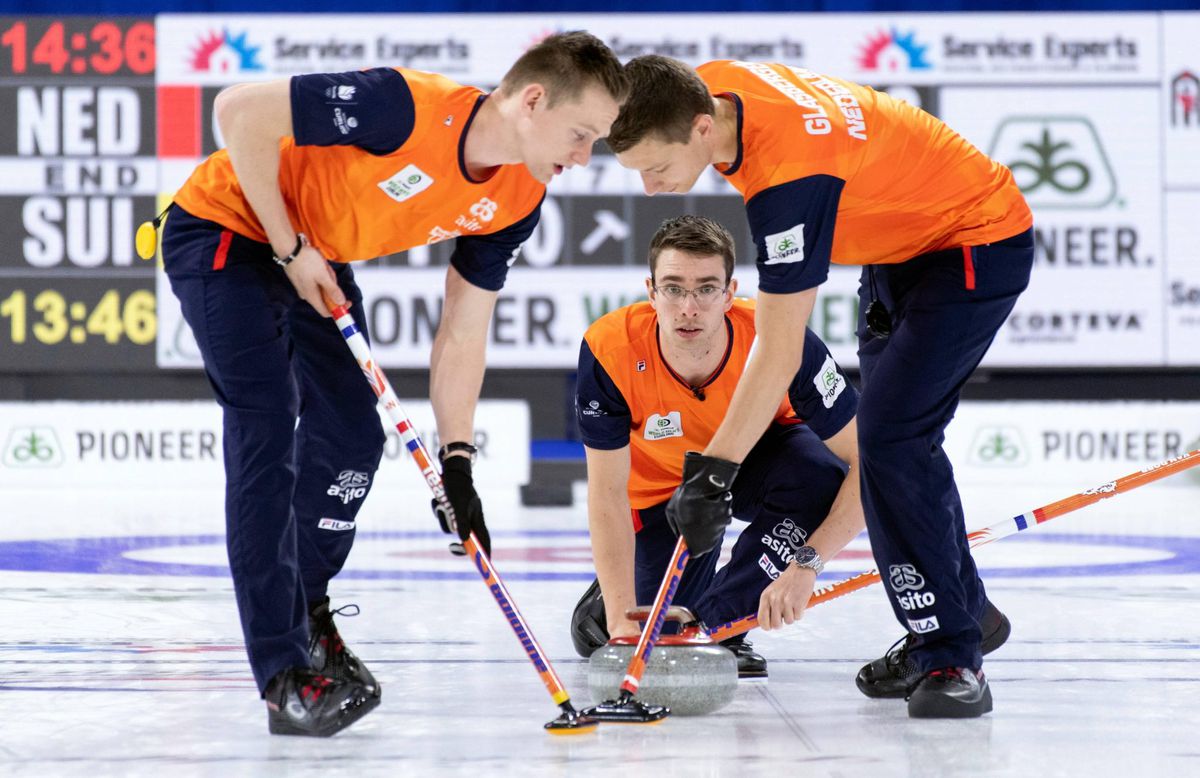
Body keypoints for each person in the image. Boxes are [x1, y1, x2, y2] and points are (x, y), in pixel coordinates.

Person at [159, 32, 627, 737]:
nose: (585, 158)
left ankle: (308, 612)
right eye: (582, 134)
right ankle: (283, 674)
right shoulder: (402, 108)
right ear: (532, 101)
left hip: (316, 251)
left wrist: (459, 464)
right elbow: (239, 111)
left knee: (351, 432)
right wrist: (289, 248)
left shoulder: (520, 193)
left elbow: (463, 332)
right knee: (265, 424)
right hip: (230, 231)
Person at [606, 56, 1027, 718]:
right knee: (898, 442)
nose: (653, 188)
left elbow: (777, 353)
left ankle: (950, 652)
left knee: (889, 440)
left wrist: (714, 474)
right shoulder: (714, 86)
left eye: (656, 167)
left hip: (974, 238)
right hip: (904, 245)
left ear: (700, 126)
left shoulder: (788, 179)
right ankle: (962, 611)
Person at [570, 215, 864, 679]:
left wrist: (807, 564)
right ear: (651, 292)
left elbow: (870, 464)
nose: (689, 307)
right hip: (661, 498)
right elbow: (606, 493)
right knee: (626, 634)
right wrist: (622, 621)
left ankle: (718, 624)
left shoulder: (780, 342)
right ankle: (612, 600)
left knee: (816, 473)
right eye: (673, 288)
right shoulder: (610, 349)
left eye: (706, 289)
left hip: (756, 465)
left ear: (730, 293)